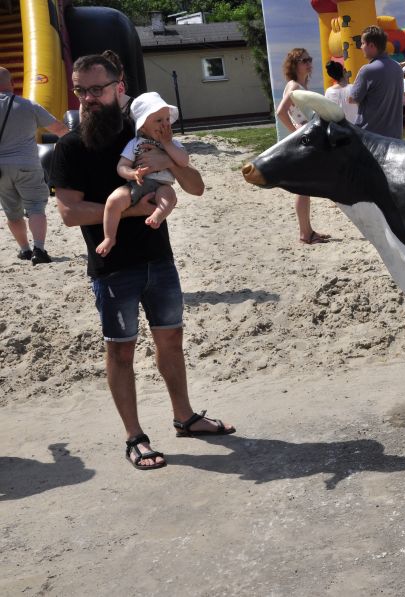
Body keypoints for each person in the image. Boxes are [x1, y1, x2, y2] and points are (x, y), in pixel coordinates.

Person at [50, 54, 235, 470]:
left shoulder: (145, 134)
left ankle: (185, 417)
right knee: (121, 351)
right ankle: (135, 436)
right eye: (80, 90)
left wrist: (169, 162)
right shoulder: (70, 146)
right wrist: (135, 211)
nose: (88, 99)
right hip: (111, 266)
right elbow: (69, 214)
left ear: (119, 88)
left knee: (170, 340)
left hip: (159, 260)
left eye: (96, 89)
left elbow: (197, 187)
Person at [96, 92, 188, 256]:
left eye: (167, 119)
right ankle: (109, 237)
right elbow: (121, 166)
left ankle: (157, 216)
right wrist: (132, 173)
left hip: (161, 186)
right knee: (113, 201)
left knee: (169, 197)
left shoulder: (172, 143)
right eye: (159, 120)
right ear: (143, 126)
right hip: (136, 184)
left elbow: (183, 161)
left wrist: (167, 146)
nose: (165, 124)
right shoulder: (135, 143)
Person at [0, 67, 69, 264]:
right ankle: (39, 249)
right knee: (36, 208)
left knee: (12, 212)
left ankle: (24, 250)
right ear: (12, 84)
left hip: (1, 169)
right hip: (27, 164)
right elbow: (59, 129)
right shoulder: (28, 105)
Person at [276, 48, 330, 245]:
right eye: (303, 60)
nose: (308, 63)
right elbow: (280, 112)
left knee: (304, 188)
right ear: (294, 64)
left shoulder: (298, 85)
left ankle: (307, 231)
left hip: (303, 141)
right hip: (302, 142)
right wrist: (296, 132)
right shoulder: (295, 86)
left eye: (309, 59)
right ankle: (305, 234)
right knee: (303, 188)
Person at [349, 26, 404, 139]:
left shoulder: (367, 70)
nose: (361, 47)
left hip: (371, 138)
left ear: (371, 45)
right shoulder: (397, 67)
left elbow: (352, 99)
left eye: (363, 43)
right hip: (395, 137)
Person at [323, 60, 358, 124]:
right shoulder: (353, 88)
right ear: (344, 71)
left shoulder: (328, 92)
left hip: (339, 129)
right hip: (355, 128)